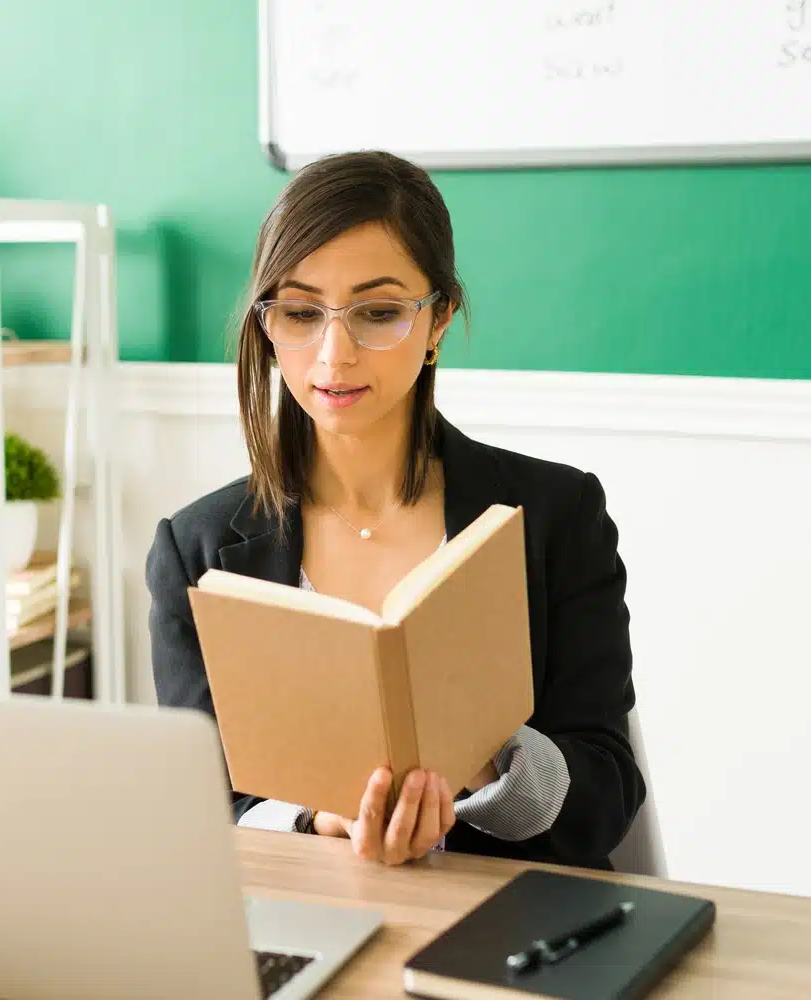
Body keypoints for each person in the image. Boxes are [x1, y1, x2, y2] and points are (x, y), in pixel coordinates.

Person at [146, 150, 645, 870]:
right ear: (266, 323)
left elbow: (607, 796)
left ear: (439, 318)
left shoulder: (557, 515)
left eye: (379, 313)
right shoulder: (193, 550)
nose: (335, 353)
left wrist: (485, 755)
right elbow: (204, 807)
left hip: (510, 925)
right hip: (305, 923)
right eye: (300, 312)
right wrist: (317, 823)